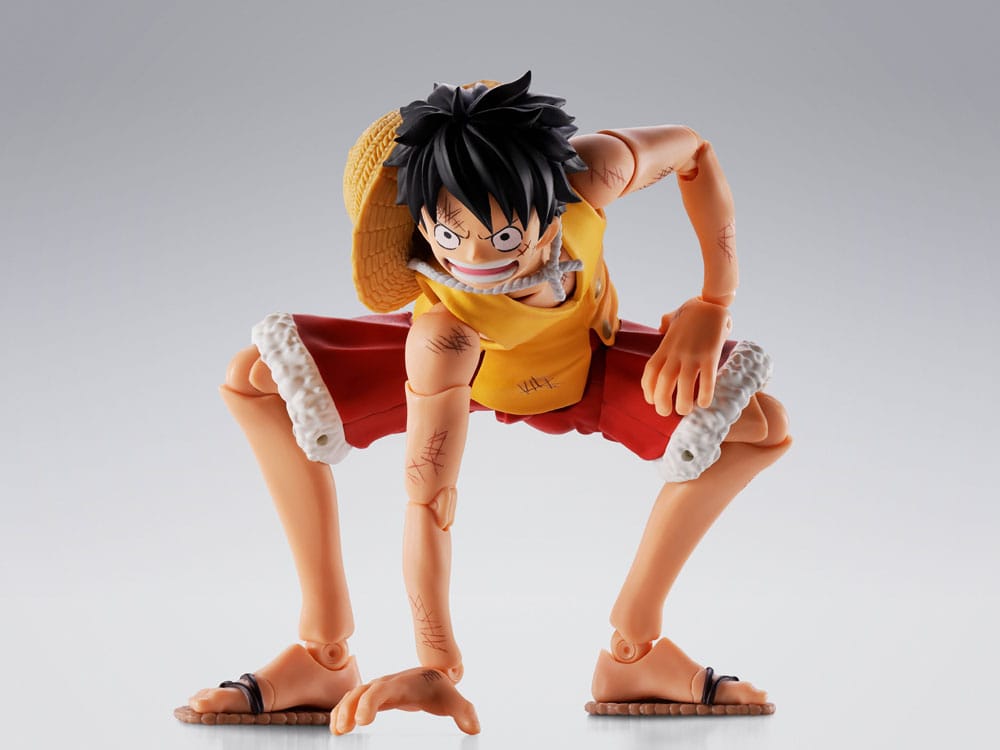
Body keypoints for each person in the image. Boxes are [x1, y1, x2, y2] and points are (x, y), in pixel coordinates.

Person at [179, 72, 791, 734]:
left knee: (760, 426)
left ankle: (633, 650)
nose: (474, 257)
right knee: (257, 379)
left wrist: (714, 300)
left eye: (503, 238)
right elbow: (428, 499)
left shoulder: (593, 173)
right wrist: (435, 663)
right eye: (448, 236)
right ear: (422, 222)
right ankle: (322, 653)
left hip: (586, 364)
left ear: (552, 207)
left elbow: (694, 151)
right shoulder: (444, 334)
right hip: (471, 371)